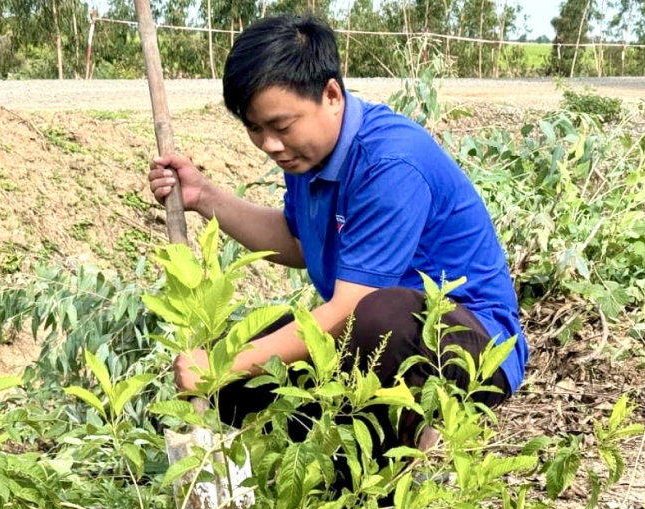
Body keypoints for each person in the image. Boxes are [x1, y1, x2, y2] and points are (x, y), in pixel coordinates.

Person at [147, 15, 527, 460]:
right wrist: (205, 197)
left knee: (375, 316)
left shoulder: (390, 163)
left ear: (331, 94)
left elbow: (350, 310)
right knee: (234, 379)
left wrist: (221, 366)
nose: (269, 144)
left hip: (470, 350)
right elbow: (297, 242)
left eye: (281, 126)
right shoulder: (308, 157)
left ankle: (398, 474)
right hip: (369, 334)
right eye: (255, 129)